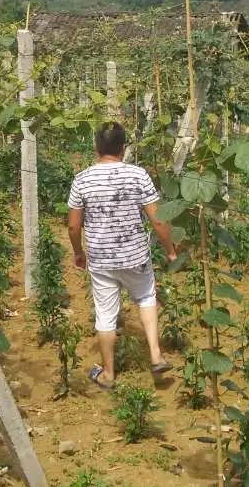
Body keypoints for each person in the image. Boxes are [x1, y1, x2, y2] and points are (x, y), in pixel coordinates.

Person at [67, 122, 178, 389]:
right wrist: (170, 250)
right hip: (135, 256)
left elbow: (73, 225)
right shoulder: (138, 175)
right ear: (123, 147)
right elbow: (158, 221)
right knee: (146, 296)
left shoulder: (82, 179)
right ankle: (155, 354)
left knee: (105, 315)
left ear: (96, 147)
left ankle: (108, 374)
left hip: (101, 258)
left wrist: (78, 253)